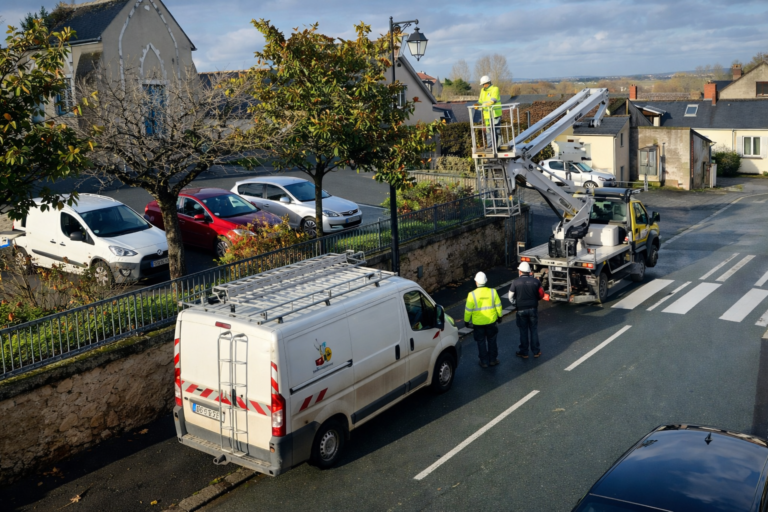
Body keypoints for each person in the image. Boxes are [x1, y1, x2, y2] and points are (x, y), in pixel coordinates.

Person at [464, 271, 503, 368]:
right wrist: (499, 316)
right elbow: (498, 306)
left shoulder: (471, 295)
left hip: (478, 323)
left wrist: (466, 321)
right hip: (491, 321)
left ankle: (484, 361)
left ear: (476, 282)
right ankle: (493, 360)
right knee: (492, 340)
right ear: (486, 281)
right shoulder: (493, 292)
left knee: (481, 342)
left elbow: (468, 310)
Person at [508, 262, 545, 359]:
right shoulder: (536, 282)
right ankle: (536, 351)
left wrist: (515, 303)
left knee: (523, 331)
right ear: (529, 272)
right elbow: (541, 294)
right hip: (533, 308)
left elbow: (510, 296)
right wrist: (536, 299)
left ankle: (524, 352)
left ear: (520, 271)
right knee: (533, 330)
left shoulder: (515, 282)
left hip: (521, 310)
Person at [476, 75, 502, 147]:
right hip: (487, 115)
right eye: (483, 84)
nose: (483, 86)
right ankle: (490, 147)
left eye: (484, 84)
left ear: (488, 83)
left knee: (497, 131)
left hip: (495, 114)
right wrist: (477, 105)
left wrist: (486, 104)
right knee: (488, 131)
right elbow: (480, 101)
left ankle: (498, 146)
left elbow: (493, 100)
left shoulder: (495, 89)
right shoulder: (482, 91)